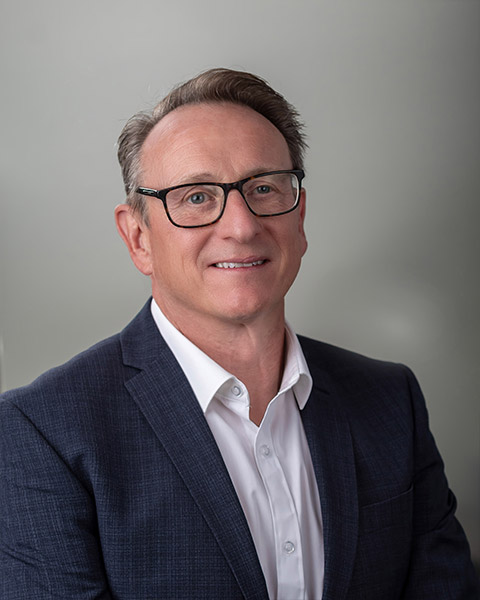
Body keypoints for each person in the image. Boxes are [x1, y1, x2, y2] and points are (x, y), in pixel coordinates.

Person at [0, 68, 478, 600]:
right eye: (196, 197)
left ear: (300, 218)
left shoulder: (390, 401)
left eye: (263, 188)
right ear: (138, 238)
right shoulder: (43, 432)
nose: (242, 226)